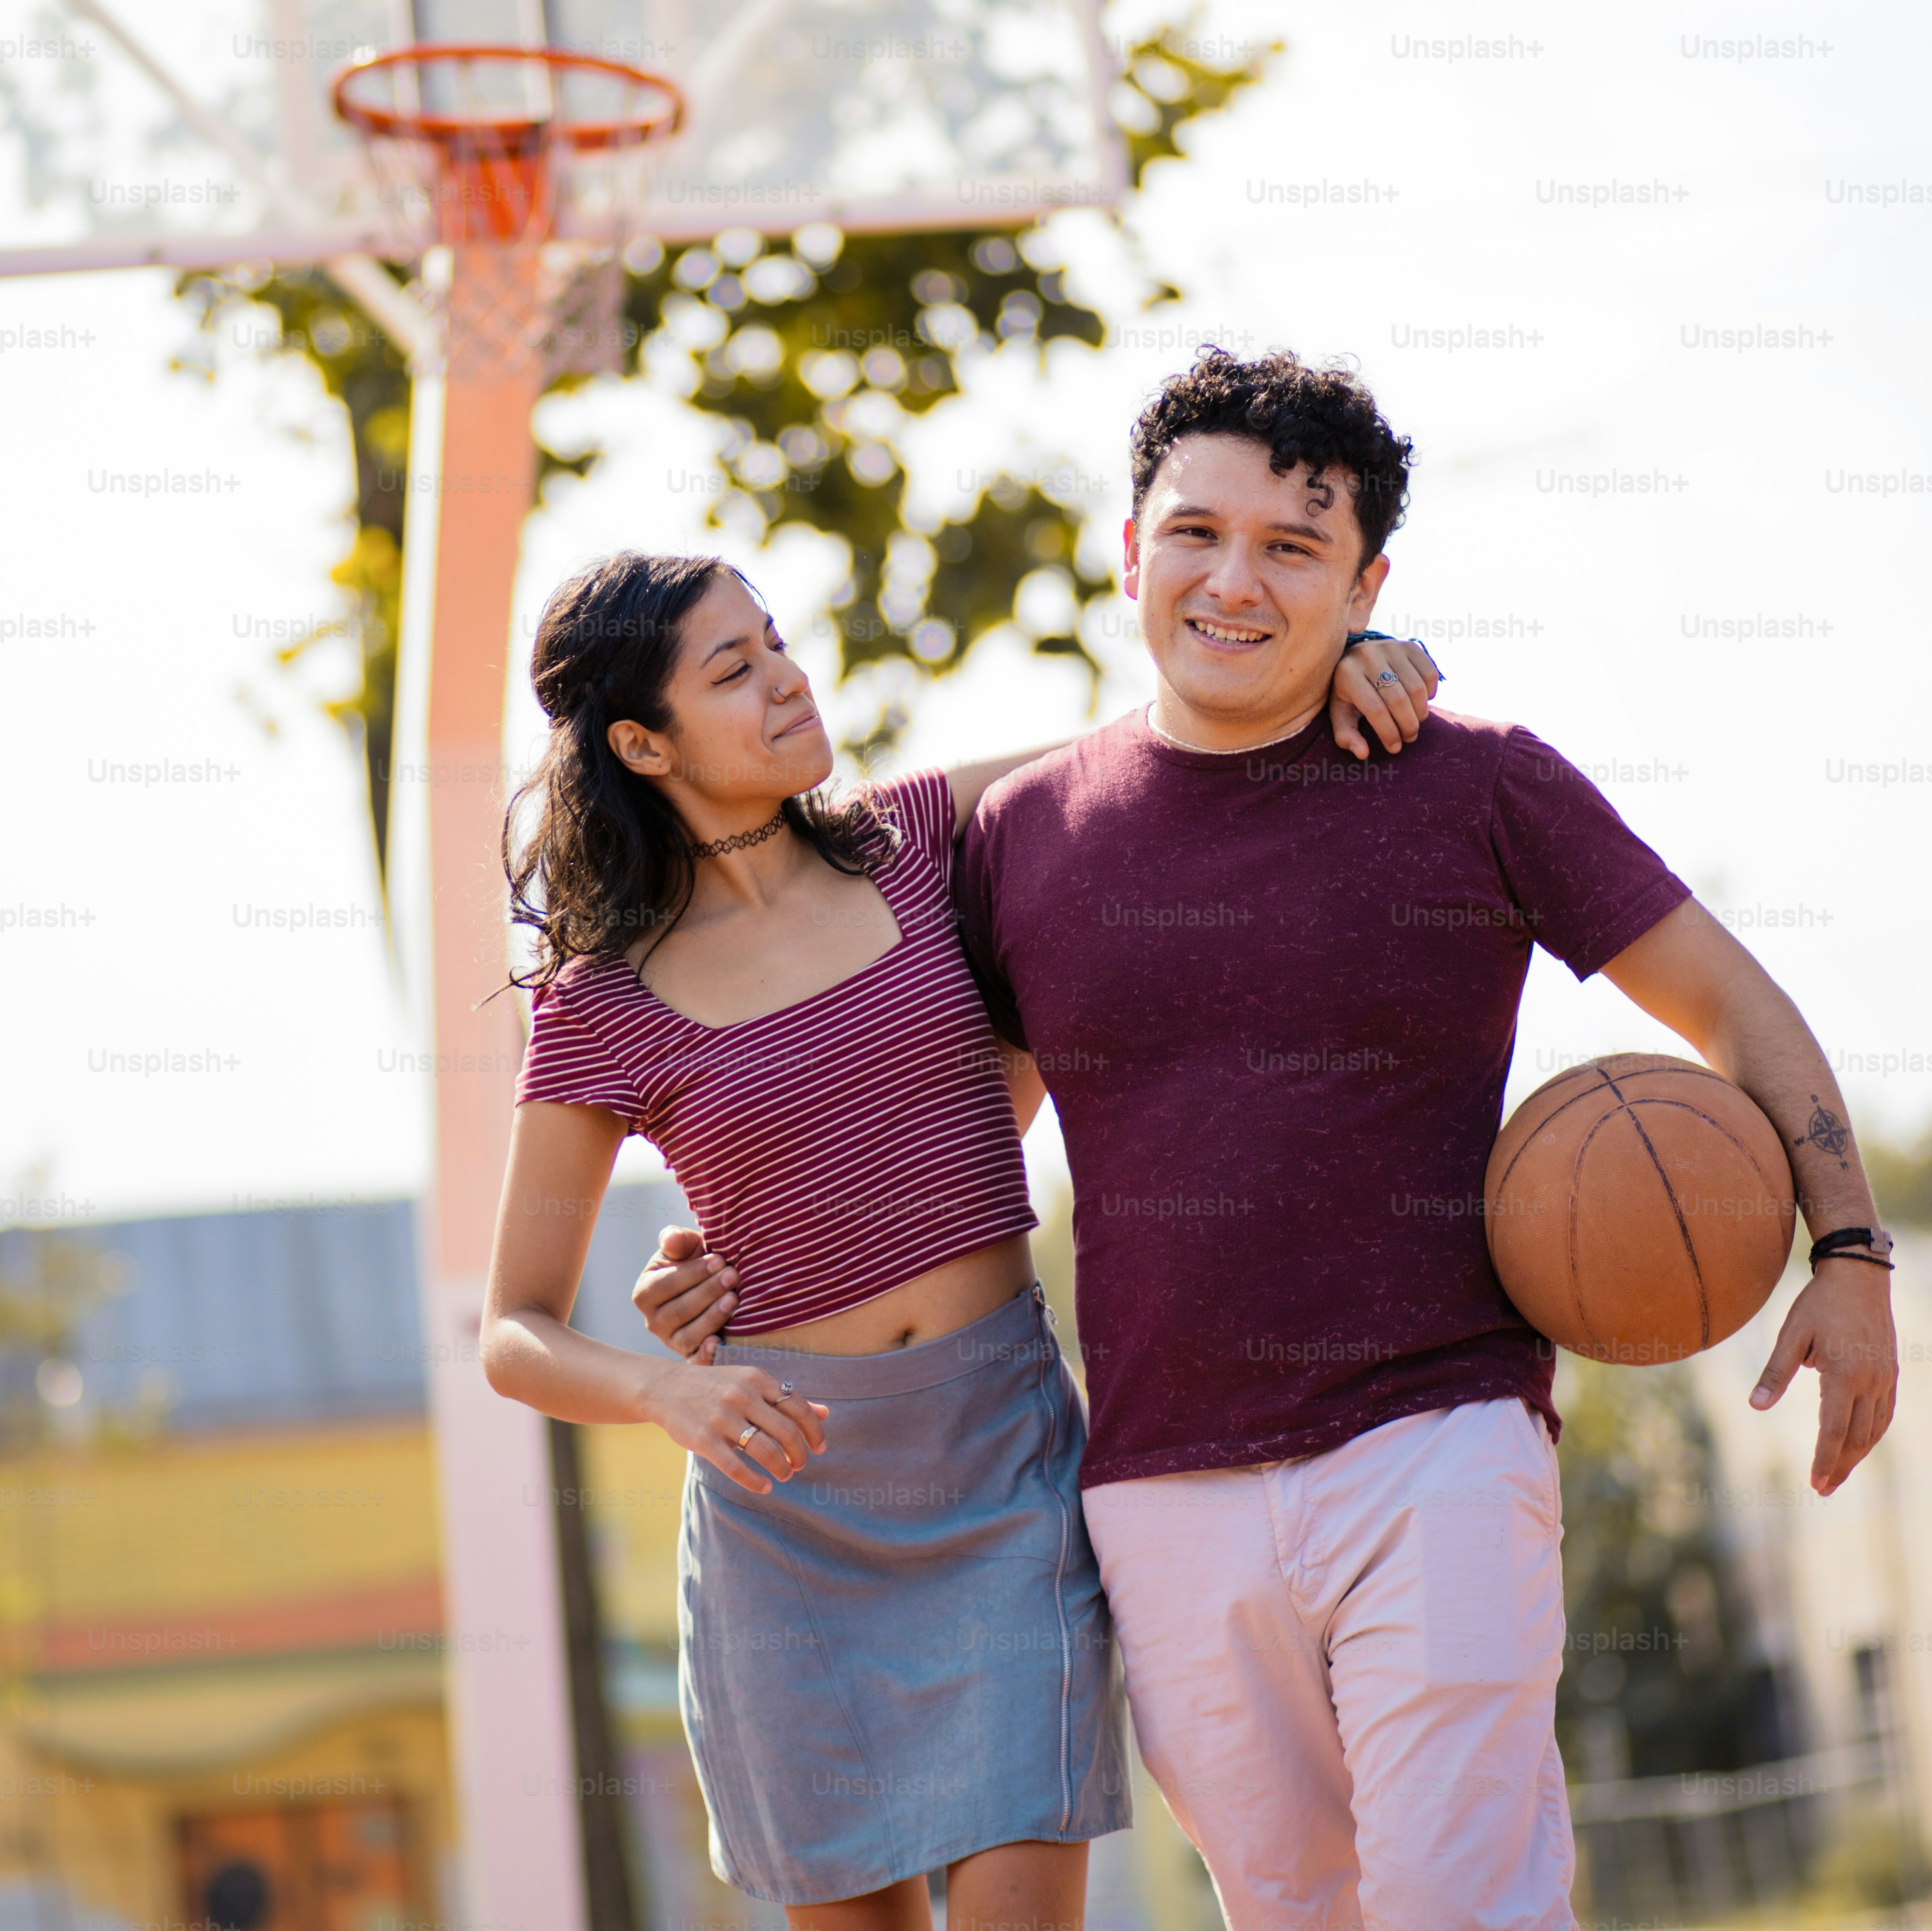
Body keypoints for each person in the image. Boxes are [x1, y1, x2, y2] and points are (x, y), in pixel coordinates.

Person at [632, 349, 1902, 1931]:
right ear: (1128, 549)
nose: (1234, 579)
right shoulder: (1022, 834)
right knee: (1297, 1907)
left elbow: (1734, 1003)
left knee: (1459, 1901)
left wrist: (1850, 1247)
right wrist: (733, 1272)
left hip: (1437, 1435)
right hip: (1157, 1485)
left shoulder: (1478, 782)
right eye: (1196, 534)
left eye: (1293, 548)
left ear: (1366, 584)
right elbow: (943, 1145)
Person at [475, 548, 1442, 1931]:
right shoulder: (597, 1005)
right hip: (787, 1529)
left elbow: (1158, 751)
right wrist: (669, 1389)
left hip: (1004, 1473)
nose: (789, 679)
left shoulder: (923, 838)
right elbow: (515, 1328)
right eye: (733, 671)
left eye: (779, 642)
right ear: (642, 742)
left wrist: (1332, 658)